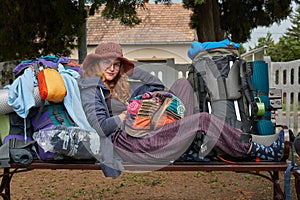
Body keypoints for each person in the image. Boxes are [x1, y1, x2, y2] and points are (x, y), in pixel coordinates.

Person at [78, 42, 285, 169]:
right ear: (97, 65)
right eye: (107, 64)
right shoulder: (92, 89)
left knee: (182, 85)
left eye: (117, 64)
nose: (112, 69)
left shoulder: (121, 85)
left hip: (145, 131)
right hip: (131, 144)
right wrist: (125, 116)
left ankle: (186, 146)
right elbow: (102, 127)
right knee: (203, 120)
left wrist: (133, 77)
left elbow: (158, 85)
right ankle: (253, 149)